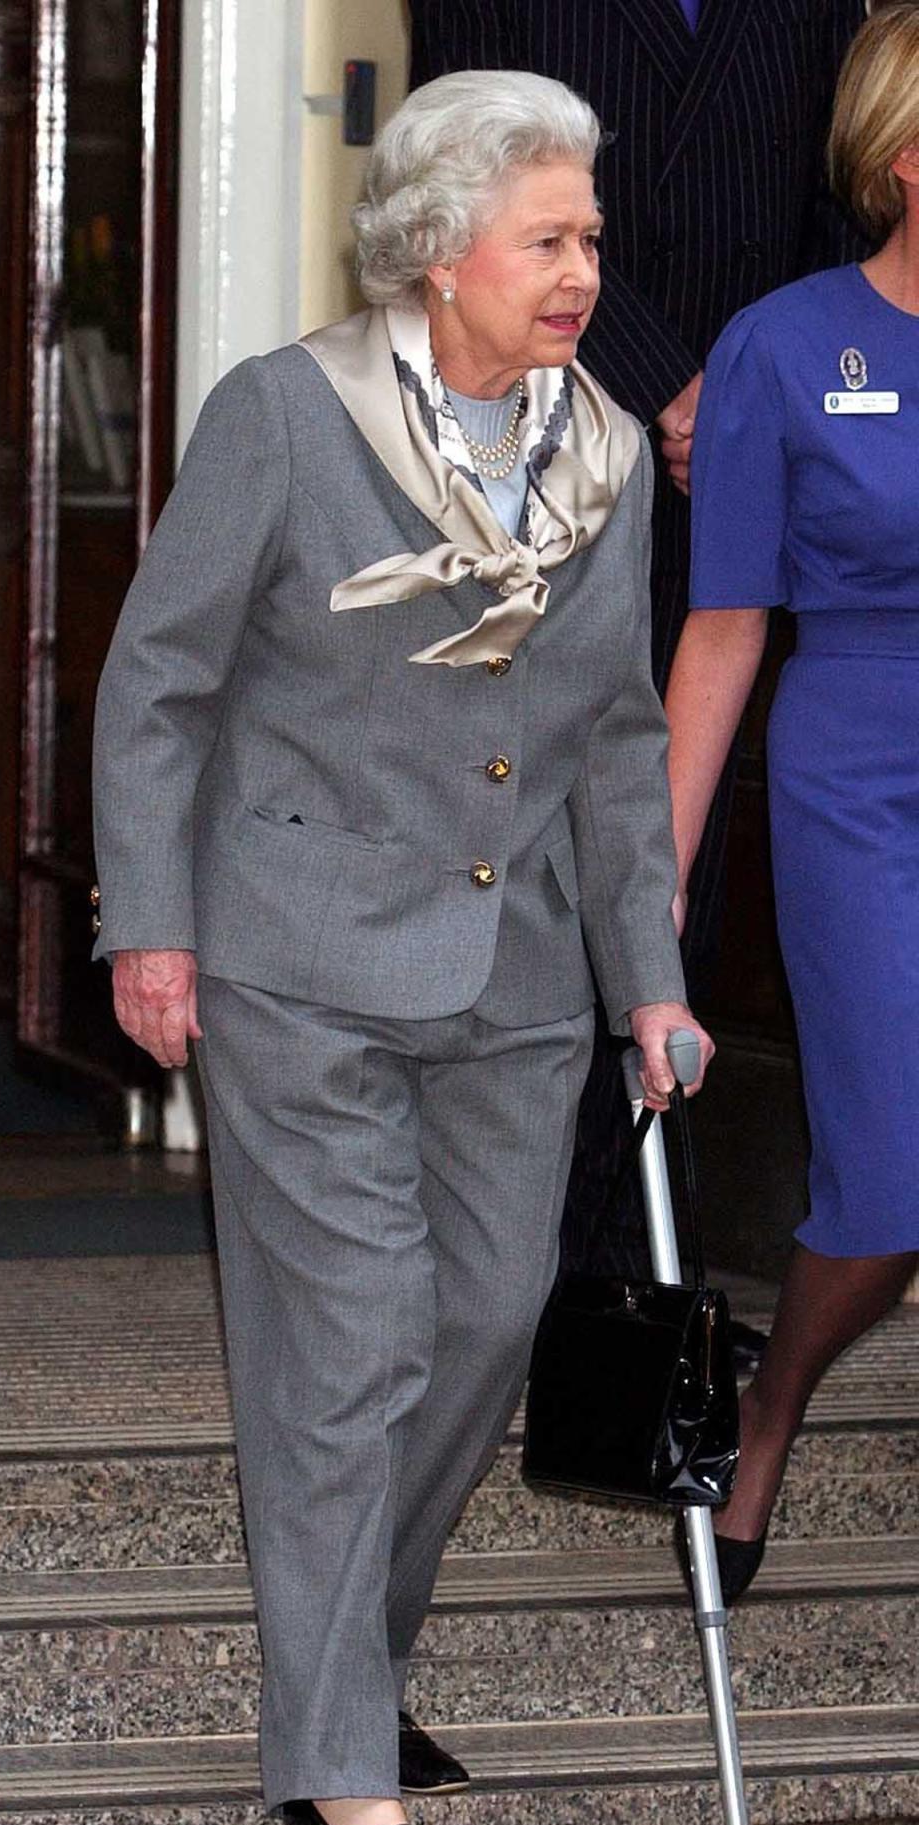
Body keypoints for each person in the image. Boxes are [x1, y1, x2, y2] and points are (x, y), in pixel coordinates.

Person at [91, 71, 711, 1825]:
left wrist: (652, 984)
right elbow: (161, 684)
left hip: (515, 980)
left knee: (483, 1334)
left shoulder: (599, 454)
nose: (585, 269)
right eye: (552, 238)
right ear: (441, 254)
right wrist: (152, 925)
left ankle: (341, 1659)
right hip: (301, 961)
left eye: (592, 236)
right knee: (346, 1346)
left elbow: (611, 746)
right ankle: (343, 1764)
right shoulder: (286, 417)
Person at [409, 0, 866, 1303]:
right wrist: (669, 384)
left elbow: (837, 211)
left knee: (667, 876)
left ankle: (619, 1270)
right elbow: (465, 177)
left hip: (733, 507)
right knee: (512, 870)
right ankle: (477, 1250)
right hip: (530, 473)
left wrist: (777, 400)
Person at [666, 2, 919, 1605]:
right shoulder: (780, 344)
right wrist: (654, 888)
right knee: (894, 1180)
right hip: (859, 783)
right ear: (908, 162)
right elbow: (725, 625)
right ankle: (770, 1407)